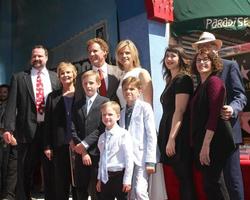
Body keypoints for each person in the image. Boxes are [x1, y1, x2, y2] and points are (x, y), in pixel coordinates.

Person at [192, 32, 247, 200]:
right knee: (214, 182)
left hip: (228, 133)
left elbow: (241, 96)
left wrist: (232, 108)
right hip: (208, 137)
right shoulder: (200, 73)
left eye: (208, 45)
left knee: (232, 180)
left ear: (216, 47)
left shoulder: (229, 66)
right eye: (202, 47)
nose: (205, 50)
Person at [2, 45, 60, 200]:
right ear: (30, 58)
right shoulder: (19, 77)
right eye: (34, 56)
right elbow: (11, 104)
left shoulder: (55, 77)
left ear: (47, 58)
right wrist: (8, 128)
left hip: (49, 133)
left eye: (40, 56)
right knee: (24, 172)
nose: (37, 59)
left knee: (50, 172)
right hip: (26, 132)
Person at [190, 49, 235, 200]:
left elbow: (213, 115)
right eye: (198, 60)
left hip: (215, 142)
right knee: (210, 185)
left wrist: (205, 145)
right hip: (206, 141)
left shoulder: (214, 82)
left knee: (214, 184)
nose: (202, 63)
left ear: (213, 63)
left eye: (205, 59)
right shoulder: (201, 85)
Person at [157, 45, 196, 200]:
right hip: (170, 131)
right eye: (167, 56)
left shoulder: (183, 79)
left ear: (181, 59)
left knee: (185, 179)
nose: (169, 59)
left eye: (173, 56)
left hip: (179, 136)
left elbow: (179, 111)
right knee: (181, 178)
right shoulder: (171, 79)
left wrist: (172, 138)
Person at [71, 70, 109, 200]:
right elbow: (72, 127)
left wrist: (85, 144)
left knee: (98, 189)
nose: (88, 86)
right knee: (81, 188)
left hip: (97, 152)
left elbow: (102, 128)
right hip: (81, 153)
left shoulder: (105, 102)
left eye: (91, 83)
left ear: (98, 84)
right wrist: (82, 151)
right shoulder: (76, 104)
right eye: (85, 83)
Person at [43, 62, 77, 200]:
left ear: (74, 74)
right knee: (60, 182)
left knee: (77, 183)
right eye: (62, 73)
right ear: (58, 76)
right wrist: (47, 146)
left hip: (78, 145)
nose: (65, 75)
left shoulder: (81, 93)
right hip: (59, 145)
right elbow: (48, 123)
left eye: (68, 72)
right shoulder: (52, 96)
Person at [119, 77, 157, 200]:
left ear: (139, 90)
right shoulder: (122, 112)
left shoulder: (145, 108)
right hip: (127, 158)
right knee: (130, 193)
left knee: (140, 190)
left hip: (142, 156)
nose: (128, 92)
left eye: (132, 89)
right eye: (125, 89)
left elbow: (151, 134)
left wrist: (151, 160)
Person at [96, 101, 134, 200]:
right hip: (105, 178)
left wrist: (127, 180)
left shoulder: (123, 134)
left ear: (118, 116)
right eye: (104, 115)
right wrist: (99, 179)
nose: (106, 117)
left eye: (110, 114)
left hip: (119, 176)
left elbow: (129, 158)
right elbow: (101, 160)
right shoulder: (102, 137)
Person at [75, 38, 122, 102]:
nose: (91, 54)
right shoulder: (81, 77)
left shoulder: (119, 72)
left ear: (105, 52)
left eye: (95, 51)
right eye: (89, 52)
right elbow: (79, 102)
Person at [115, 39, 153, 108]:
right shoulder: (121, 76)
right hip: (125, 116)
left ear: (133, 54)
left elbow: (148, 105)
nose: (124, 55)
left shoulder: (141, 73)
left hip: (139, 116)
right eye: (121, 53)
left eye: (127, 53)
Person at [0, 84, 17, 200]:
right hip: (1, 139)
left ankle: (8, 193)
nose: (2, 94)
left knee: (9, 168)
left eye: (5, 92)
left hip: (11, 140)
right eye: (1, 92)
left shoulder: (14, 106)